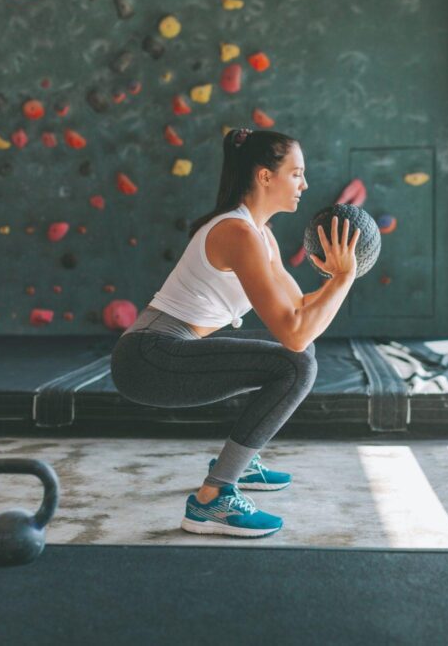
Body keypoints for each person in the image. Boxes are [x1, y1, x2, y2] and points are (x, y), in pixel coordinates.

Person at [109, 128, 359, 537]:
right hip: (146, 360)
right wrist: (343, 280)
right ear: (265, 176)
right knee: (295, 365)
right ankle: (213, 498)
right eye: (296, 173)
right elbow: (294, 334)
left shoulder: (261, 235)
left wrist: (338, 278)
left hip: (166, 351)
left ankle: (239, 465)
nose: (304, 185)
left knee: (301, 356)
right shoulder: (237, 233)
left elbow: (298, 309)